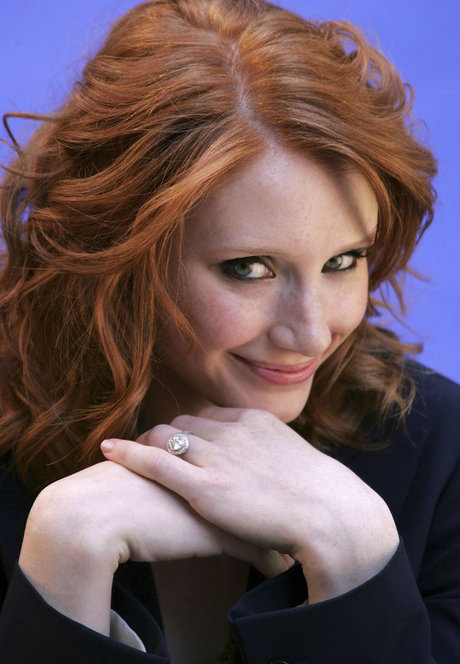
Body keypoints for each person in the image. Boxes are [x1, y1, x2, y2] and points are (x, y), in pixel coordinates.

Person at [0, 0, 458, 662]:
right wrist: (65, 555)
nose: (312, 333)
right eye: (250, 269)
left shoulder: (439, 449)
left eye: (343, 261)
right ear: (119, 256)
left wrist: (353, 550)